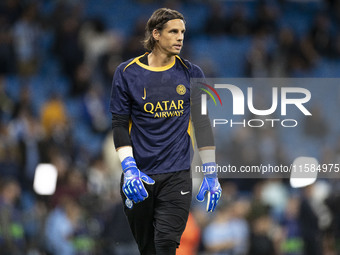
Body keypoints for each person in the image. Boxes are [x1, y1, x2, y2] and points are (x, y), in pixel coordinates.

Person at [109, 8, 222, 255]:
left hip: (177, 175)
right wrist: (129, 168)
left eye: (182, 32)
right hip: (140, 176)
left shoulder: (193, 73)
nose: (180, 37)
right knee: (147, 249)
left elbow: (202, 124)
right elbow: (119, 124)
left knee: (166, 245)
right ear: (156, 34)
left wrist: (211, 172)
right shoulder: (127, 73)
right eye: (173, 31)